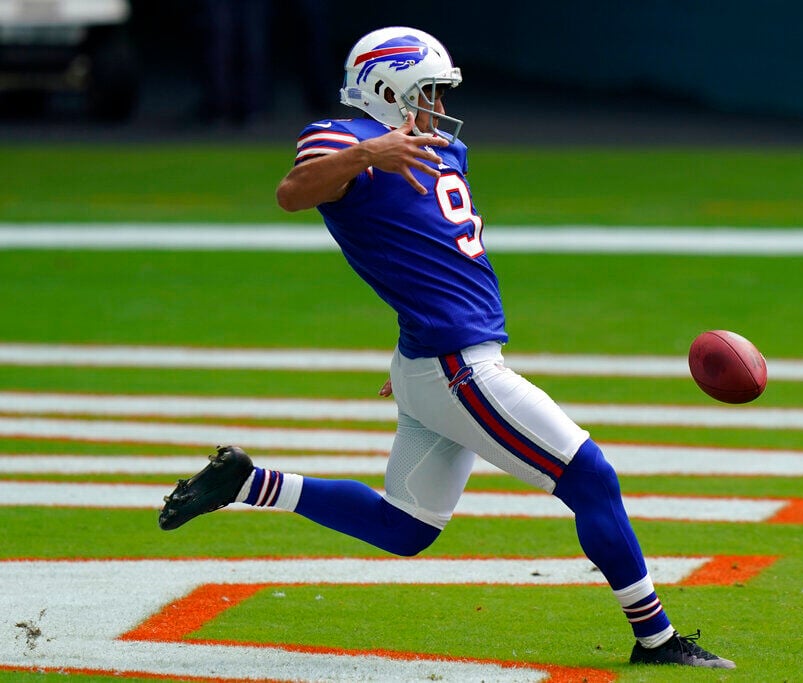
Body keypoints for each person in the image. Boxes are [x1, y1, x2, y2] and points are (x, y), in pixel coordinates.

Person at [159, 26, 735, 670]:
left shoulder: (444, 150)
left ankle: (251, 482)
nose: (435, 104)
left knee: (405, 528)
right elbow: (293, 194)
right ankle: (656, 640)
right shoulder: (344, 138)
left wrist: (412, 343)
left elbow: (424, 257)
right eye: (426, 90)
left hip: (436, 358)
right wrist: (367, 154)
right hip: (459, 364)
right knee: (591, 478)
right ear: (386, 90)